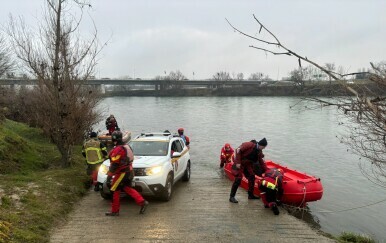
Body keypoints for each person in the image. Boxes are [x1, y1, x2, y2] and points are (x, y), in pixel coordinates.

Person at [105, 130, 149, 216]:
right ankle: (142, 202)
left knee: (114, 190)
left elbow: (114, 164)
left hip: (121, 173)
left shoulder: (118, 149)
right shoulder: (127, 146)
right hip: (129, 171)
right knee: (126, 188)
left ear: (114, 139)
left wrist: (109, 176)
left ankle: (115, 211)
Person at [229, 138, 268, 203]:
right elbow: (238, 150)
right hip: (240, 162)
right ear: (261, 145)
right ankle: (231, 197)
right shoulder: (249, 145)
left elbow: (261, 162)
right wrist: (238, 162)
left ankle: (250, 195)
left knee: (252, 176)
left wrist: (267, 170)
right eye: (264, 147)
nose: (263, 148)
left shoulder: (259, 151)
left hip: (247, 164)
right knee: (238, 179)